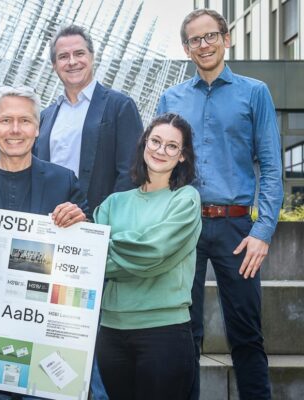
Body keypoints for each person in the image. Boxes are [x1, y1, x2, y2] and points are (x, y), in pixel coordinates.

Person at [157, 9, 283, 400]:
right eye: (195, 39)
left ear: (226, 39)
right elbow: (159, 165)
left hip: (237, 229)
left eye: (210, 36)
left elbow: (272, 168)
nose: (204, 44)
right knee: (183, 332)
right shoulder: (171, 98)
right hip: (184, 226)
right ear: (186, 48)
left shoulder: (255, 93)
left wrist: (262, 232)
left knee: (246, 333)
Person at [0, 86, 88, 399]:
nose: (15, 130)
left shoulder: (64, 181)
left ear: (38, 128)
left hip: (49, 340)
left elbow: (84, 254)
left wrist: (81, 222)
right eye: (6, 120)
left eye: (24, 121)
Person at [94, 113, 201, 400]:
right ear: (144, 143)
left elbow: (154, 250)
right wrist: (139, 255)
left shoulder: (186, 199)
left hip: (164, 332)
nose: (160, 150)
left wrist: (111, 246)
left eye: (171, 146)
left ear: (182, 156)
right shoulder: (113, 203)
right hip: (111, 332)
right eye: (155, 141)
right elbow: (91, 259)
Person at [35, 24, 143, 217]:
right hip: (47, 222)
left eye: (79, 53)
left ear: (92, 57)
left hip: (97, 223)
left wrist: (103, 220)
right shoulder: (45, 117)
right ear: (54, 65)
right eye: (63, 56)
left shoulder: (120, 106)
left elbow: (131, 173)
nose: (72, 61)